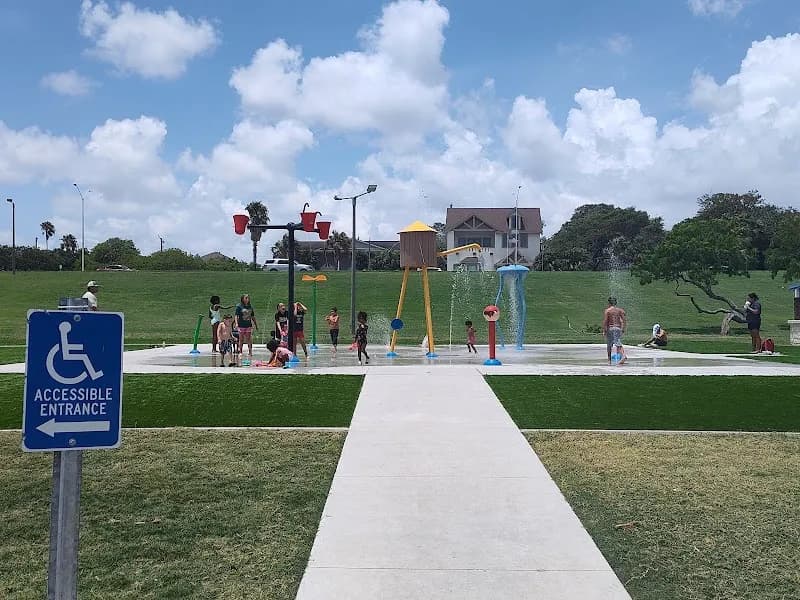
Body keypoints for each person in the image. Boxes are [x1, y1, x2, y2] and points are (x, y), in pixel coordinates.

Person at [602, 296, 627, 365]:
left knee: (609, 345)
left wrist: (604, 330)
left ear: (609, 303)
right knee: (618, 342)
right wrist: (623, 328)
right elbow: (624, 320)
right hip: (618, 328)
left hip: (611, 328)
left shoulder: (608, 311)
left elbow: (605, 321)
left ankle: (610, 360)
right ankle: (622, 356)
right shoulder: (619, 310)